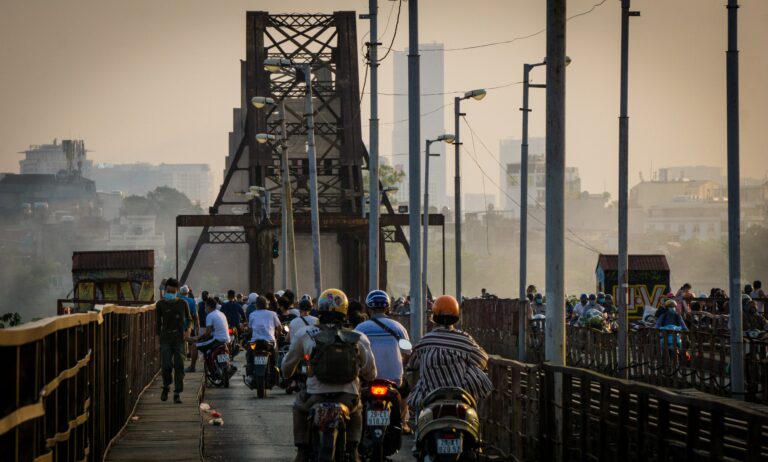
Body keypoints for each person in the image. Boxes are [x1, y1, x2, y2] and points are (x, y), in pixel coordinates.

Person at [281, 288, 377, 462]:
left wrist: (291, 374)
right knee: (357, 408)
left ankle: (302, 451)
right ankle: (353, 450)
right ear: (344, 310)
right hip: (347, 396)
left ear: (320, 309)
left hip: (315, 396)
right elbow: (371, 373)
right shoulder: (358, 337)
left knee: (299, 406)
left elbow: (286, 369)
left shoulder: (305, 334)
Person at [406, 295, 492, 412]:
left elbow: (412, 364)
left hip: (429, 397)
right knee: (478, 370)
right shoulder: (464, 339)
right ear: (456, 317)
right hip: (460, 396)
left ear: (434, 317)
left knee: (418, 413)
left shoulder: (425, 341)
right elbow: (482, 359)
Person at [355, 290, 411, 431]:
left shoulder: (361, 328)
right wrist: (401, 363)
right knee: (405, 390)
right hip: (394, 380)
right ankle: (403, 421)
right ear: (387, 307)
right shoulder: (398, 327)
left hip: (368, 378)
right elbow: (407, 352)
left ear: (368, 308)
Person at [155, 278, 192, 404]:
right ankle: (166, 386)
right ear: (165, 290)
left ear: (177, 291)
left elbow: (190, 319)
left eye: (172, 292)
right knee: (166, 366)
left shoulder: (183, 303)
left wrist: (188, 330)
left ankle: (177, 393)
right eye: (168, 291)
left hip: (179, 339)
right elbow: (157, 324)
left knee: (179, 366)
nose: (170, 294)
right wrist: (157, 341)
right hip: (165, 339)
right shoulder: (160, 304)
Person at [245, 295, 283, 385]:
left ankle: (250, 374)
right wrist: (278, 334)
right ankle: (276, 374)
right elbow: (279, 327)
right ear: (266, 304)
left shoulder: (252, 314)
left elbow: (250, 329)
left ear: (256, 305)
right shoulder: (272, 314)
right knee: (275, 358)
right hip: (270, 343)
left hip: (255, 343)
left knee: (249, 355)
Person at [186, 298, 231, 374]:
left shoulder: (210, 315)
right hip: (226, 339)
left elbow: (208, 333)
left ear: (209, 306)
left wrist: (198, 338)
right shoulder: (221, 313)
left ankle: (192, 367)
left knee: (194, 346)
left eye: (205, 306)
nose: (205, 308)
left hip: (217, 340)